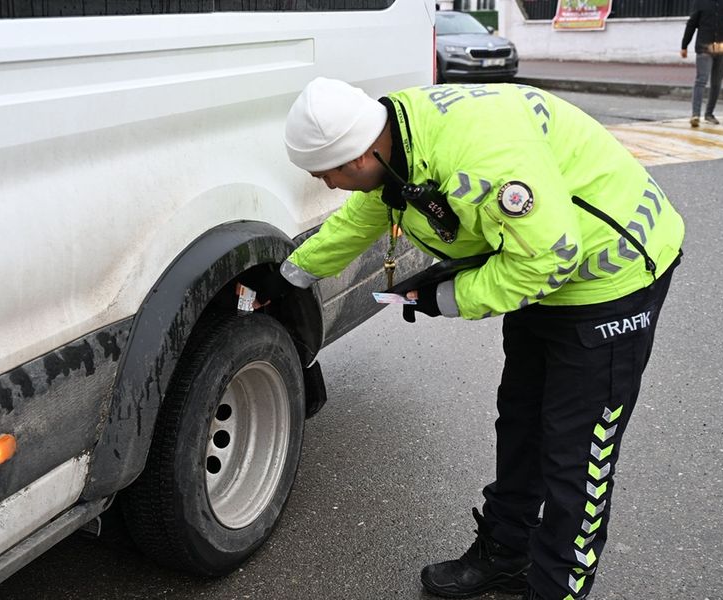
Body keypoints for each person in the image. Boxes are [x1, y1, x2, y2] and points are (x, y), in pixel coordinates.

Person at [250, 78, 685, 599]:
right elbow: (365, 216)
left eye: (328, 174)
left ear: (361, 156)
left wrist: (448, 296)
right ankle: (506, 552)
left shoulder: (479, 161)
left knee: (577, 454)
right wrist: (291, 275)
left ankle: (556, 589)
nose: (327, 185)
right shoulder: (398, 138)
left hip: (611, 275)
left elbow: (551, 258)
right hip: (538, 274)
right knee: (522, 420)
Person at [681, 0, 723, 127]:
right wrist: (684, 45)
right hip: (704, 46)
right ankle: (695, 115)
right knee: (701, 79)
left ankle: (709, 114)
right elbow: (692, 23)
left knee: (716, 82)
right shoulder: (700, 2)